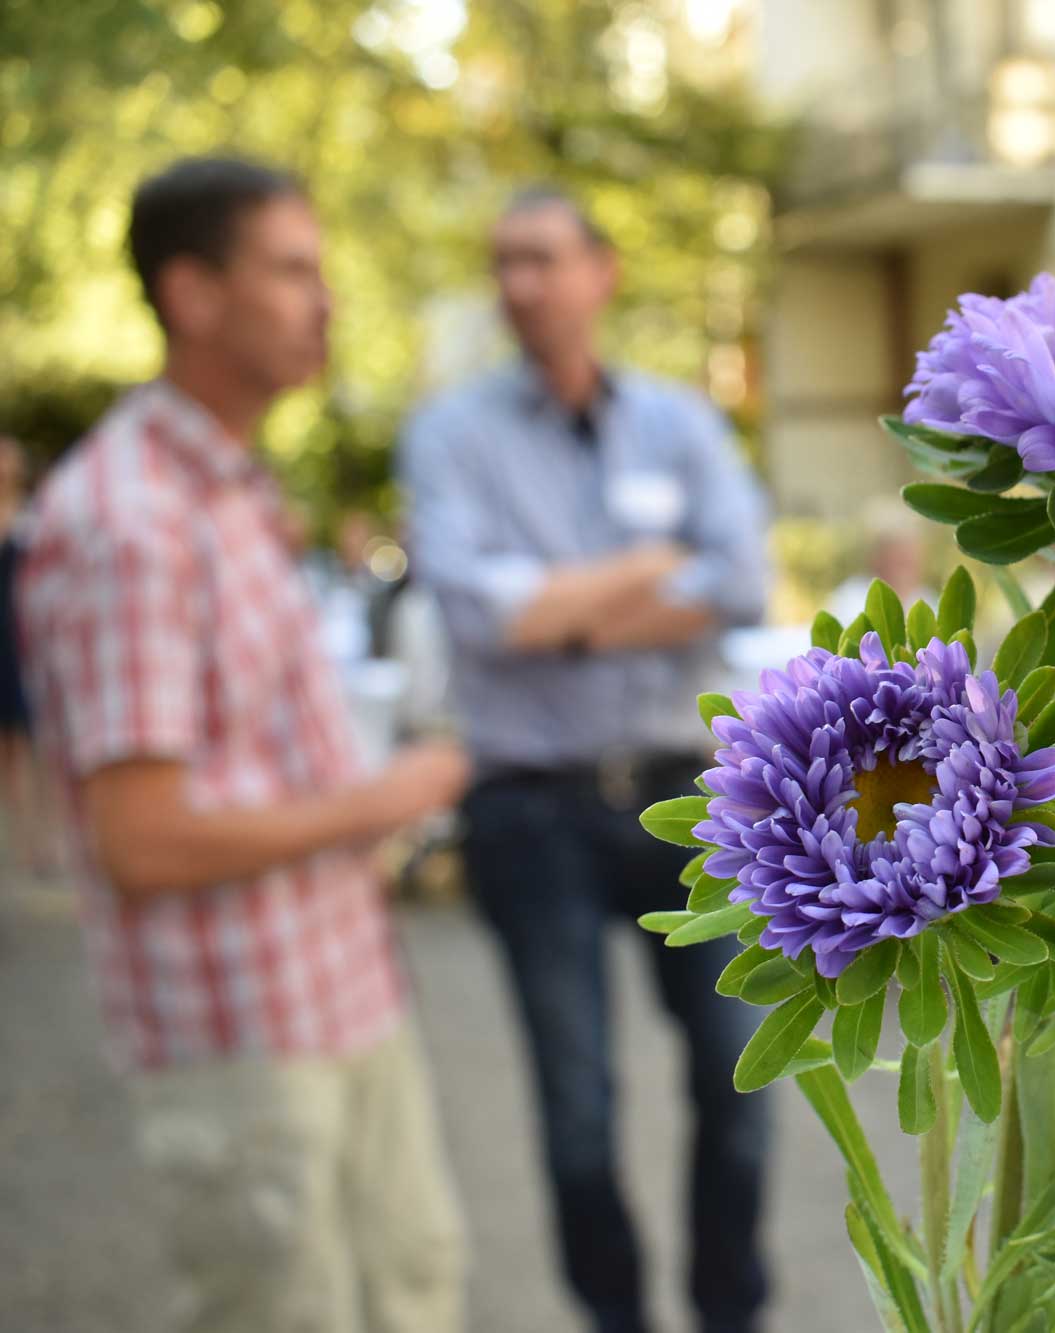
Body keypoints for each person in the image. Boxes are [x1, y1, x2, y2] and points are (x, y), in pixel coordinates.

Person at [15, 157, 468, 1332]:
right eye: (291, 270)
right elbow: (142, 841)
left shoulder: (220, 485)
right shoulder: (130, 518)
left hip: (341, 993)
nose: (324, 301)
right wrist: (385, 800)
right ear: (193, 293)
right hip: (244, 1039)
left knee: (413, 1284)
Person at [399, 186, 773, 1333]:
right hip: (530, 809)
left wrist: (556, 609)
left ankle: (728, 1311)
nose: (520, 283)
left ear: (600, 272)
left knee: (738, 1085)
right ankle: (614, 1318)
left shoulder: (680, 422)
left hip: (683, 791)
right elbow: (475, 618)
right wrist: (653, 567)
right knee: (576, 1111)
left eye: (543, 259)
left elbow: (743, 581)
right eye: (502, 261)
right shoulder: (449, 435)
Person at [0, 434, 53, 876]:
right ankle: (17, 842)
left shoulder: (33, 518)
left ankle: (39, 841)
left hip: (23, 640)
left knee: (30, 746)